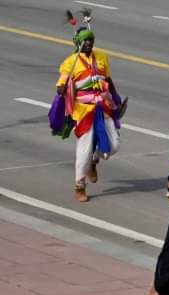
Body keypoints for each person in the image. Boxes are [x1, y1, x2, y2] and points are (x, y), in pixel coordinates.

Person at [51, 27, 121, 203]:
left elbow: (108, 80)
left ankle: (93, 161)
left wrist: (116, 98)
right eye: (85, 40)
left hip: (103, 106)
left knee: (114, 145)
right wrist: (61, 88)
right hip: (83, 110)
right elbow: (61, 84)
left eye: (91, 39)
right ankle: (79, 186)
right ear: (78, 42)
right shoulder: (70, 62)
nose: (89, 43)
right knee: (84, 149)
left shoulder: (102, 57)